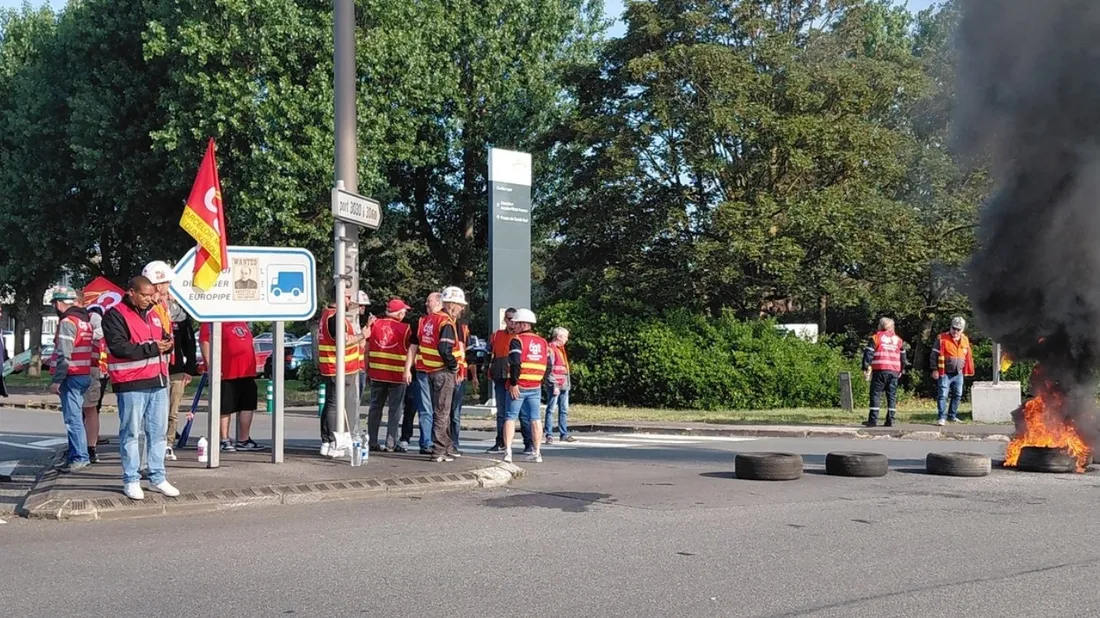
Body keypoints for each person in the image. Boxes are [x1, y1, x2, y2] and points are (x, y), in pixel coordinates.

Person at [102, 276, 179, 500]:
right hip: (131, 382)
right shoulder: (115, 314)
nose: (148, 299)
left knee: (158, 433)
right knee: (131, 433)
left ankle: (157, 477)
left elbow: (164, 336)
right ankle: (131, 479)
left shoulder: (155, 313)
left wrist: (166, 344)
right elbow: (119, 348)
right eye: (144, 295)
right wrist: (154, 348)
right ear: (131, 292)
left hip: (158, 380)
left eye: (150, 295)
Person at [143, 260, 196, 460]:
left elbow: (190, 344)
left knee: (172, 410)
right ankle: (154, 445)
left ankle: (168, 442)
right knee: (155, 410)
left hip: (176, 368)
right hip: (156, 368)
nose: (166, 297)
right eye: (164, 293)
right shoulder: (151, 311)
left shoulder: (181, 316)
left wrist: (189, 369)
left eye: (168, 294)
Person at [406, 286, 465, 463]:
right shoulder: (446, 322)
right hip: (442, 371)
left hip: (430, 370)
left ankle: (445, 447)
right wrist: (454, 366)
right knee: (442, 412)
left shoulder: (428, 320)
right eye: (461, 305)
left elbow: (421, 345)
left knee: (438, 410)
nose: (462, 309)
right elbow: (444, 348)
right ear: (453, 305)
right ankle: (439, 449)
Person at [48, 287, 93, 473]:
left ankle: (80, 457)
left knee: (72, 419)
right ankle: (77, 455)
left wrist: (57, 380)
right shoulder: (84, 321)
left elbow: (65, 355)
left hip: (72, 375)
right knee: (77, 417)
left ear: (59, 303)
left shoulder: (68, 321)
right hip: (83, 373)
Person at [317, 286, 364, 457]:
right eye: (347, 297)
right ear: (339, 297)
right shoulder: (336, 317)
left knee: (331, 403)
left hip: (332, 366)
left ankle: (327, 441)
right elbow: (343, 341)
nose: (349, 301)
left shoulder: (326, 315)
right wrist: (362, 335)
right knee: (335, 405)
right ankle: (333, 441)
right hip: (339, 367)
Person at [200, 321, 262, 451]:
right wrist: (211, 366)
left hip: (246, 371)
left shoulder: (242, 321)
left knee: (247, 405)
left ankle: (243, 440)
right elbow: (205, 341)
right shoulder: (213, 321)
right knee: (225, 407)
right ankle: (224, 439)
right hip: (226, 372)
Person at [365, 298, 412, 452]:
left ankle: (372, 441)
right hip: (397, 375)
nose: (405, 313)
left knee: (375, 407)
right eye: (404, 311)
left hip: (377, 373)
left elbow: (366, 348)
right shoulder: (405, 329)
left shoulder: (375, 324)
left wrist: (367, 368)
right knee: (395, 410)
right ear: (398, 314)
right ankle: (391, 443)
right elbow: (411, 350)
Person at [503, 308, 548, 463]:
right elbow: (546, 364)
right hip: (535, 386)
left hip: (519, 385)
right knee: (535, 419)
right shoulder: (542, 341)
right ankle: (537, 453)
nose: (513, 326)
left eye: (515, 323)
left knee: (510, 417)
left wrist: (514, 383)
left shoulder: (517, 340)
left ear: (523, 324)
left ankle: (507, 452)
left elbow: (515, 363)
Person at [486, 308, 532, 454]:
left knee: (523, 413)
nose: (511, 321)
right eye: (509, 318)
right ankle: (501, 442)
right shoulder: (496, 336)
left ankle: (529, 443)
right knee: (502, 413)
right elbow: (489, 354)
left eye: (514, 319)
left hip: (515, 379)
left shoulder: (520, 338)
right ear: (505, 320)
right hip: (500, 377)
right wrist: (488, 369)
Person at [406, 292, 443, 455]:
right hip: (423, 371)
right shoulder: (421, 321)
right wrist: (407, 368)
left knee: (439, 409)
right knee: (425, 409)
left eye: (430, 301)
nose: (426, 304)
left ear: (439, 303)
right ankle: (426, 442)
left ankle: (439, 442)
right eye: (427, 301)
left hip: (440, 371)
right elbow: (413, 346)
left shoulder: (444, 321)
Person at [861, 317, 907, 428]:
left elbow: (869, 354)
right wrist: (901, 369)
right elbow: (903, 357)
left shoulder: (876, 338)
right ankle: (890, 420)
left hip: (880, 370)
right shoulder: (899, 340)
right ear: (892, 327)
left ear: (880, 326)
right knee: (891, 396)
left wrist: (865, 367)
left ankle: (873, 420)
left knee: (876, 395)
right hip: (894, 371)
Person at [931, 316, 975, 426]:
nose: (955, 331)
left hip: (958, 373)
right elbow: (933, 355)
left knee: (958, 395)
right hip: (944, 372)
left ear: (962, 330)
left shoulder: (965, 339)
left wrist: (966, 369)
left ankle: (952, 416)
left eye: (958, 329)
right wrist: (934, 369)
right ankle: (942, 417)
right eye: (953, 328)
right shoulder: (941, 338)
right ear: (950, 327)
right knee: (943, 395)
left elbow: (967, 356)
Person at [543, 327, 576, 443]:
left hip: (564, 383)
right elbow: (549, 369)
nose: (567, 339)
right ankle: (549, 435)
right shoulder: (551, 348)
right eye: (565, 337)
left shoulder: (561, 348)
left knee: (564, 410)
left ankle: (563, 434)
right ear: (558, 337)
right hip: (555, 384)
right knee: (551, 409)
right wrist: (555, 384)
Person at [449, 320, 471, 454]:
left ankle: (454, 443)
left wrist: (463, 372)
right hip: (449, 372)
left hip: (459, 374)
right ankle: (446, 442)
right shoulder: (444, 327)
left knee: (455, 412)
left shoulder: (463, 330)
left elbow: (466, 354)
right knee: (445, 411)